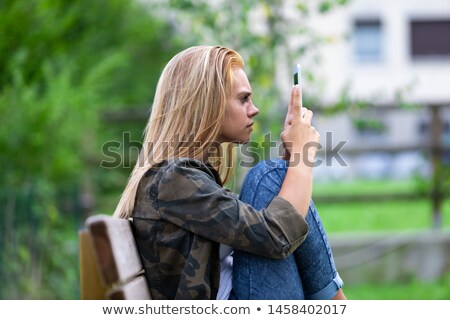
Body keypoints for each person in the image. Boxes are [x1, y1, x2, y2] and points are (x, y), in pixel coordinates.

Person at [113, 45, 346, 300]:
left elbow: (269, 233)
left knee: (275, 177)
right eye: (243, 99)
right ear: (207, 104)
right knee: (268, 177)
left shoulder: (182, 179)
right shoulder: (173, 180)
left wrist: (293, 161)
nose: (253, 109)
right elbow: (277, 235)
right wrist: (303, 153)